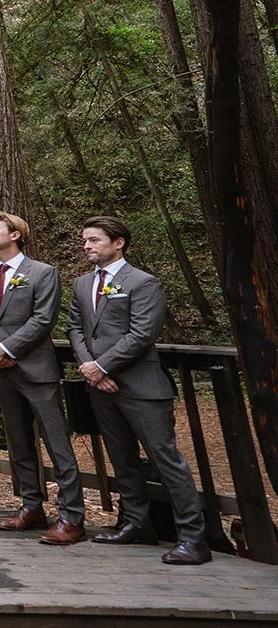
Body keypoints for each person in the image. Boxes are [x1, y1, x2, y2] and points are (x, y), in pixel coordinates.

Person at [70, 216, 210, 566]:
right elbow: (75, 328)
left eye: (94, 240)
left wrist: (102, 367)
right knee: (123, 459)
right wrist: (90, 369)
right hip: (100, 387)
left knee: (166, 460)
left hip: (142, 386)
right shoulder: (82, 283)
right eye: (85, 240)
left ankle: (194, 538)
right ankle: (136, 523)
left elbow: (142, 333)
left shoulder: (144, 282)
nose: (87, 245)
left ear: (118, 243)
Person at [0, 212, 86, 546]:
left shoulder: (43, 272)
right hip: (3, 370)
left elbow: (43, 318)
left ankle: (72, 516)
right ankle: (31, 507)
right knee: (19, 442)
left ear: (16, 234)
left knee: (57, 444)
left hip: (36, 370)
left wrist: (7, 347)